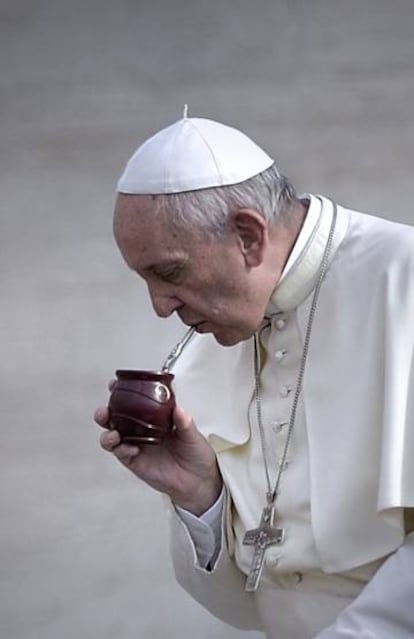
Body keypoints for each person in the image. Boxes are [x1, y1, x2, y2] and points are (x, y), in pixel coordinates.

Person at [94, 112, 414, 638]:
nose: (158, 306)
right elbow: (251, 603)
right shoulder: (228, 326)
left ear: (248, 235)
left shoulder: (403, 280)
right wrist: (200, 496)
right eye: (143, 278)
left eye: (169, 272)